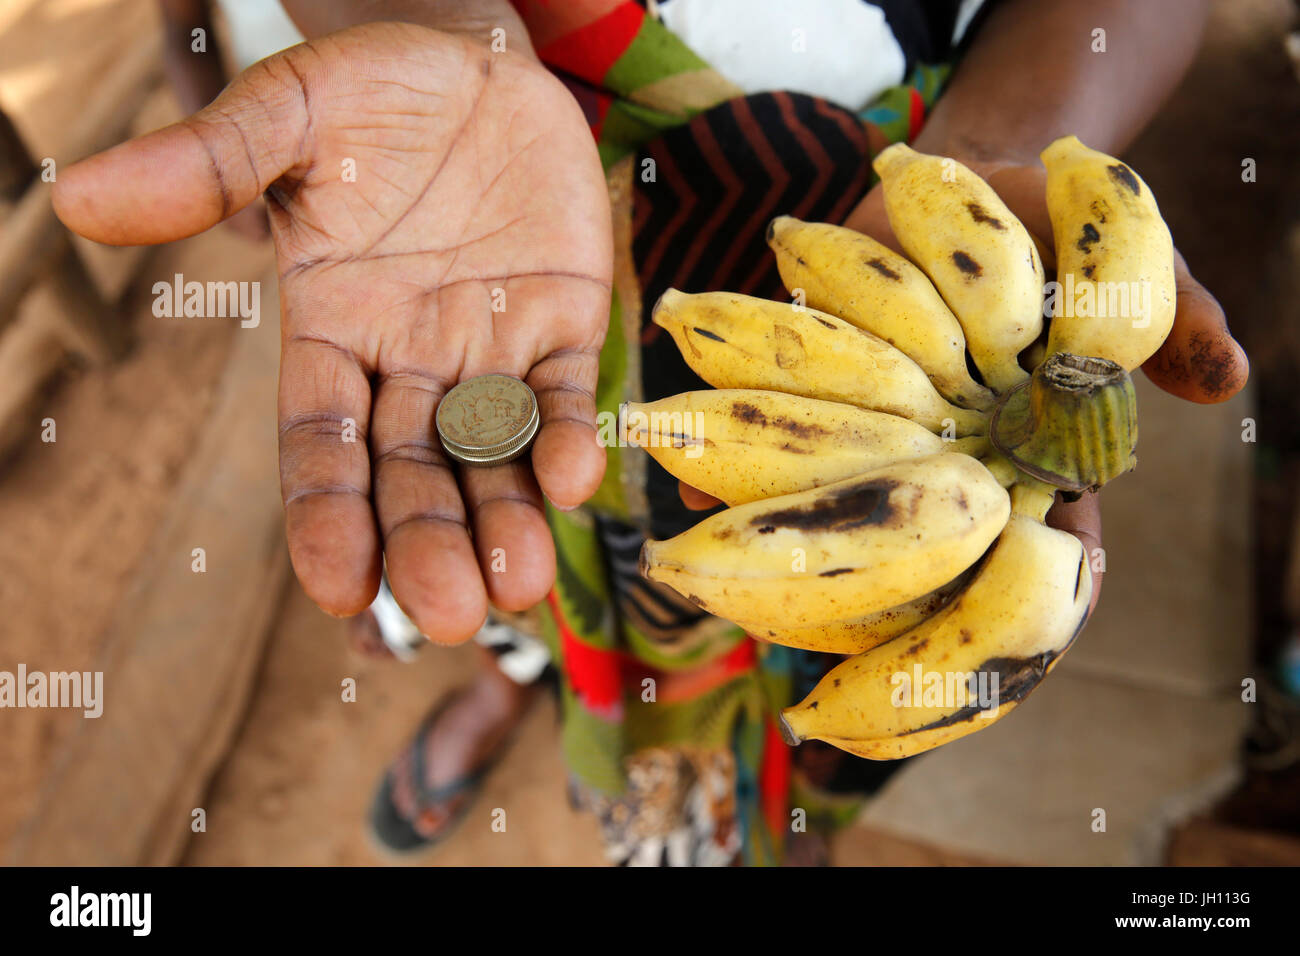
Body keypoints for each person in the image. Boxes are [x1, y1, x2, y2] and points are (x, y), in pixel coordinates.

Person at [55, 0, 1249, 865]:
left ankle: (754, 806)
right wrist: (429, 30)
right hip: (471, 229)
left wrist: (979, 163)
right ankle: (514, 675)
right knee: (493, 524)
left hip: (874, 212)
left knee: (831, 599)